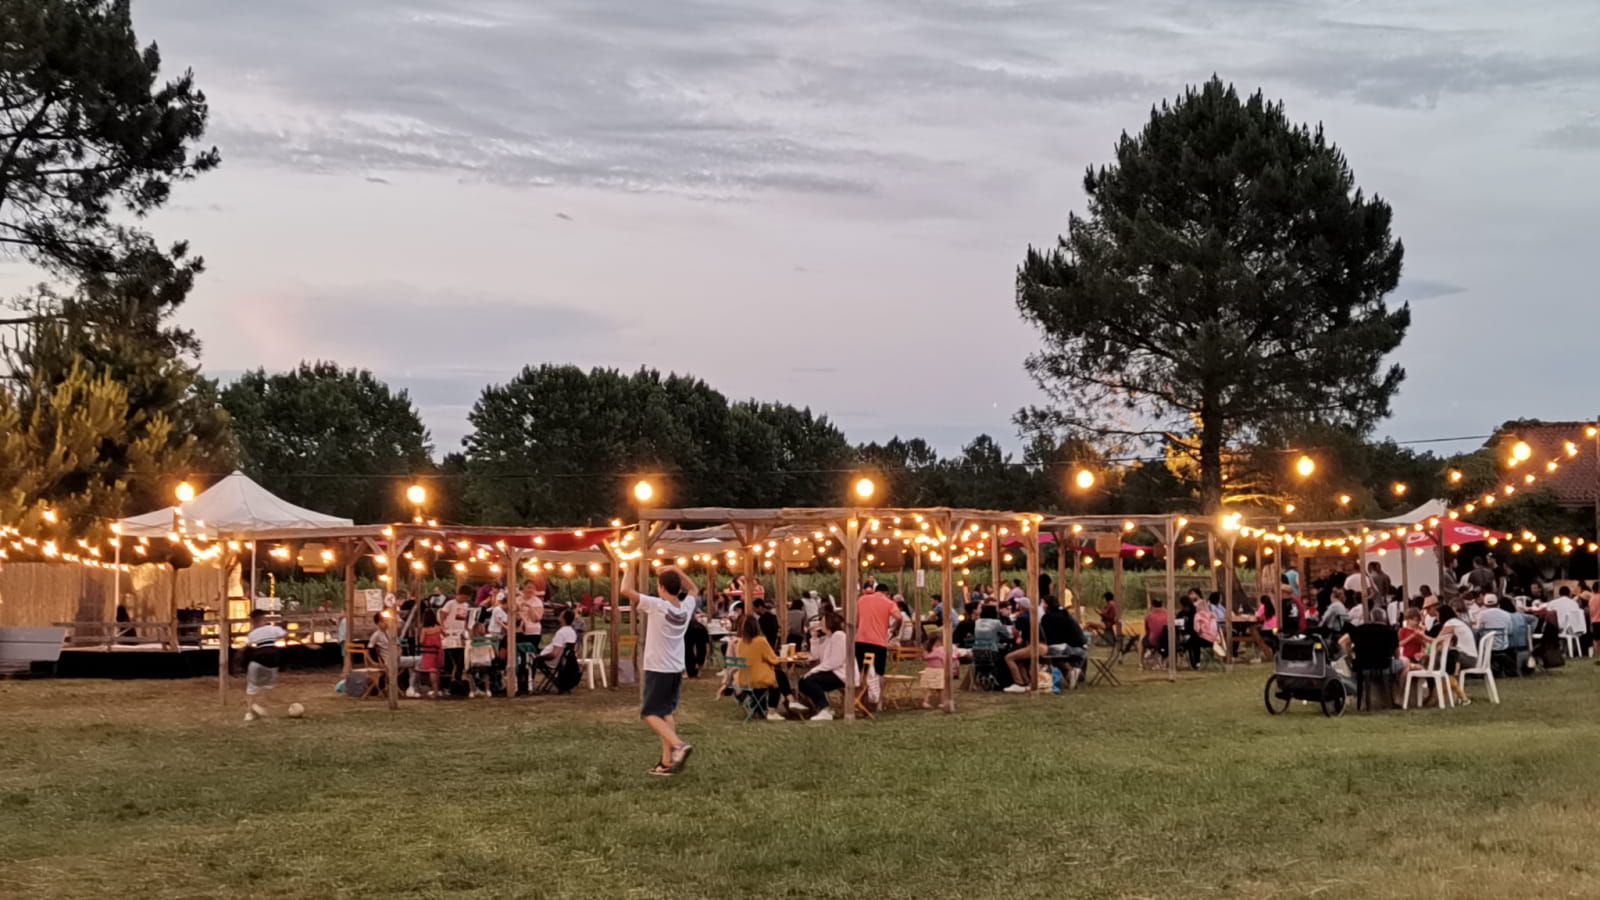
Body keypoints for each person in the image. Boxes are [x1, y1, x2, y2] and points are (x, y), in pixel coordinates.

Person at [621, 563, 698, 776]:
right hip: (675, 668)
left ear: (661, 588)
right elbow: (694, 589)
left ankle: (678, 745)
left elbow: (625, 591)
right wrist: (676, 569)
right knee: (665, 712)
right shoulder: (684, 607)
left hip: (658, 667)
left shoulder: (657, 605)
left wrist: (629, 566)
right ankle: (666, 763)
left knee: (649, 713)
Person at [797, 610, 848, 720]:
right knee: (802, 682)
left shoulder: (839, 636)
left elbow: (836, 661)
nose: (820, 624)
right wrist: (814, 638)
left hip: (841, 673)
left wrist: (814, 670)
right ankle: (818, 707)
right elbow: (816, 656)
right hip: (832, 671)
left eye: (822, 622)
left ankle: (825, 709)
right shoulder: (828, 637)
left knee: (810, 680)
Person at [734, 615, 786, 721]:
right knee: (778, 678)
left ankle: (759, 709)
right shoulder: (761, 641)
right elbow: (773, 659)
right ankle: (772, 710)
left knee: (774, 678)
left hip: (744, 680)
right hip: (759, 679)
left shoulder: (740, 643)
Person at [242, 610, 286, 722]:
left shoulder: (252, 634)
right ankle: (259, 706)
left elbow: (248, 646)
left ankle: (249, 712)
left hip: (257, 661)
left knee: (251, 687)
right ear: (264, 619)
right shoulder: (273, 629)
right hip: (272, 662)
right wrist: (307, 644)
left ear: (252, 621)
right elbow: (287, 636)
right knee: (267, 686)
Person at [853, 583, 901, 687]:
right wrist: (894, 628)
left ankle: (862, 697)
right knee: (880, 673)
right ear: (886, 593)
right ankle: (880, 701)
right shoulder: (889, 602)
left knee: (861, 670)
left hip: (861, 640)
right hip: (878, 643)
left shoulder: (861, 600)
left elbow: (856, 622)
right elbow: (899, 617)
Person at [367, 612, 422, 697]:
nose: (386, 623)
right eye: (383, 621)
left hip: (397, 658)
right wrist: (374, 663)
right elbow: (368, 651)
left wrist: (399, 653)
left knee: (419, 659)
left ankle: (412, 687)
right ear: (378, 623)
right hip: (388, 660)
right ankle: (409, 687)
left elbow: (399, 647)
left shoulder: (391, 632)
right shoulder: (376, 635)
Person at [1433, 605, 1476, 704]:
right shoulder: (1457, 622)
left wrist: (1422, 637)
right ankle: (1444, 692)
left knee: (1440, 659)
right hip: (1469, 657)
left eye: (1437, 615)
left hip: (1466, 658)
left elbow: (1437, 641)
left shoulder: (1451, 623)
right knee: (1442, 658)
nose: (1436, 618)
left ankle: (1437, 691)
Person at [438, 585, 473, 694]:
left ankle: (458, 681)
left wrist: (466, 629)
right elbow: (442, 615)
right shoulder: (450, 603)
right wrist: (442, 627)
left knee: (460, 659)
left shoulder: (465, 605)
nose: (464, 600)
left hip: (460, 633)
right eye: (464, 597)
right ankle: (445, 685)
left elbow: (463, 619)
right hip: (449, 633)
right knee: (449, 660)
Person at [920, 628, 956, 709]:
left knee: (930, 688)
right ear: (938, 641)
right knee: (941, 688)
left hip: (929, 670)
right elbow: (944, 660)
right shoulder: (940, 650)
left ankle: (925, 702)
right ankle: (942, 702)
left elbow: (925, 657)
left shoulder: (928, 650)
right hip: (939, 671)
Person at [415, 609, 443, 698]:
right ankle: (437, 690)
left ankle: (434, 691)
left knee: (432, 670)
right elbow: (445, 634)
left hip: (428, 651)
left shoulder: (424, 630)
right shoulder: (438, 628)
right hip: (439, 651)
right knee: (437, 670)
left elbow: (421, 641)